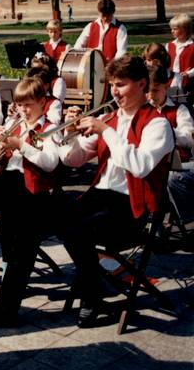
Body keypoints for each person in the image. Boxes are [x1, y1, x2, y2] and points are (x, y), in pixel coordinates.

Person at [59, 56, 173, 327]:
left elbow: (140, 166)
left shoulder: (157, 124)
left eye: (121, 85)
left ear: (142, 84)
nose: (114, 92)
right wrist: (69, 134)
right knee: (57, 215)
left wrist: (105, 131)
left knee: (78, 231)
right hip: (101, 196)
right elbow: (72, 160)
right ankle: (95, 285)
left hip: (133, 206)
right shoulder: (109, 119)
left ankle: (92, 294)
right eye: (111, 85)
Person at [0, 77, 60, 327]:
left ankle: (6, 308)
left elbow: (50, 163)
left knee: (21, 244)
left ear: (43, 102)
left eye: (29, 105)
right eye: (20, 105)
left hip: (33, 193)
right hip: (7, 187)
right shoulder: (14, 123)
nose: (23, 110)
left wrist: (21, 145)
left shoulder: (50, 128)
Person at [146, 66, 194, 227]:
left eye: (155, 90)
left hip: (175, 164)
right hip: (150, 165)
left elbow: (189, 139)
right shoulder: (143, 110)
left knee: (172, 178)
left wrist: (168, 130)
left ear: (166, 87)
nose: (151, 96)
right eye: (148, 91)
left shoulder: (179, 109)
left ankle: (185, 220)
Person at [73, 0, 127, 64]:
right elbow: (78, 46)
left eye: (108, 15)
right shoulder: (90, 26)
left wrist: (111, 66)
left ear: (113, 12)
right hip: (90, 65)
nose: (105, 18)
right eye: (103, 15)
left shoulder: (120, 28)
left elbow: (121, 53)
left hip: (110, 66)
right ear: (99, 12)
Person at [165, 13, 193, 90]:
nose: (172, 31)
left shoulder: (192, 46)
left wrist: (189, 73)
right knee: (172, 96)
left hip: (188, 84)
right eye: (171, 29)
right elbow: (165, 64)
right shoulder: (169, 45)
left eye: (175, 29)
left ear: (184, 29)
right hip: (171, 82)